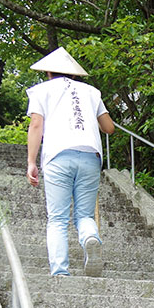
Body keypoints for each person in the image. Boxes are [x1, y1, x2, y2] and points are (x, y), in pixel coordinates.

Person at [25, 47, 115, 277]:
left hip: (58, 156)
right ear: (74, 74)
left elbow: (36, 124)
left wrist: (31, 162)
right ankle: (90, 237)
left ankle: (60, 272)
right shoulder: (92, 92)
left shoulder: (41, 90)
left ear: (48, 73)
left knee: (57, 218)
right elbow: (109, 128)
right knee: (84, 215)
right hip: (90, 157)